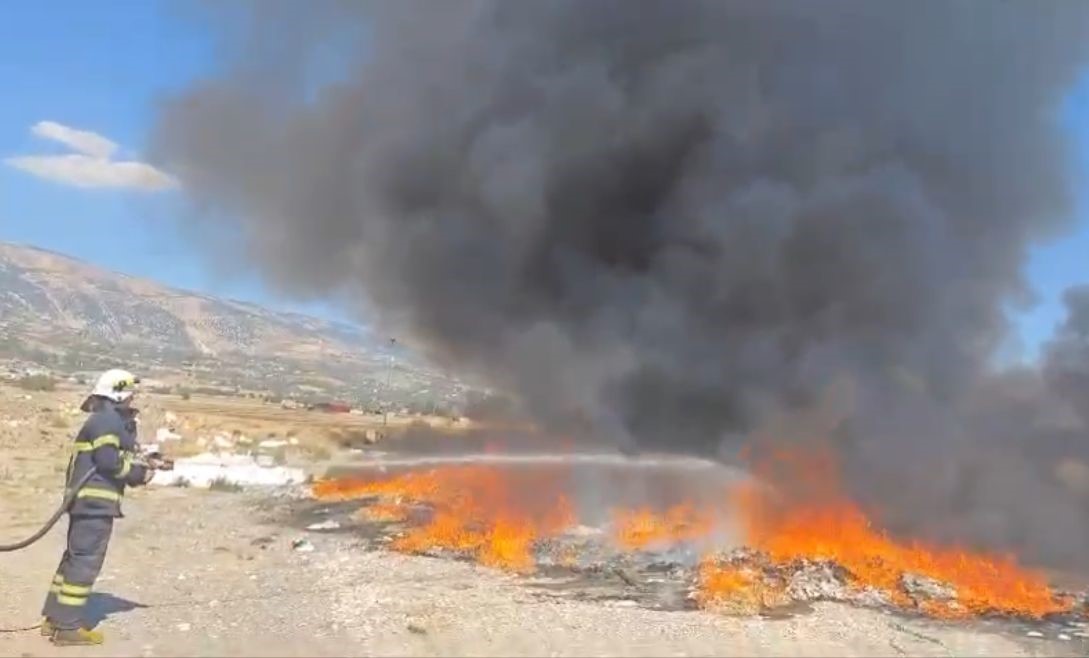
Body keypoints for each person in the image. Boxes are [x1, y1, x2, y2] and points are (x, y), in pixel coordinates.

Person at [40, 369, 159, 646]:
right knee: (84, 563)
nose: (132, 399)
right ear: (119, 393)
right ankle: (67, 628)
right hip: (95, 504)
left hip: (86, 503)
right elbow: (108, 461)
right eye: (130, 394)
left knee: (74, 559)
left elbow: (109, 455)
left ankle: (56, 618)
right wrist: (139, 474)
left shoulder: (103, 419)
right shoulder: (107, 420)